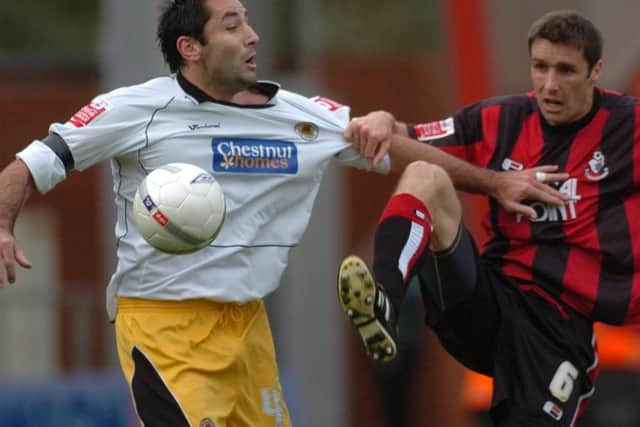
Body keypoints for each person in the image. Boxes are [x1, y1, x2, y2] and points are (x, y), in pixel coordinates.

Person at [0, 0, 391, 426]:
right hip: (164, 323)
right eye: (232, 25)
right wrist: (3, 223)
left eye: (248, 21)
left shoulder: (292, 112)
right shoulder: (134, 108)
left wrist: (389, 122)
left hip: (246, 321)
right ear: (190, 47)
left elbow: (402, 142)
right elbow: (33, 161)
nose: (252, 35)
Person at [338, 10, 639, 426]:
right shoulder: (502, 118)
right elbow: (403, 139)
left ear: (595, 72)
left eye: (566, 70)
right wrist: (382, 121)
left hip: (556, 332)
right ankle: (383, 301)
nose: (550, 84)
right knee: (424, 175)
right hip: (488, 300)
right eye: (540, 67)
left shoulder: (627, 124)